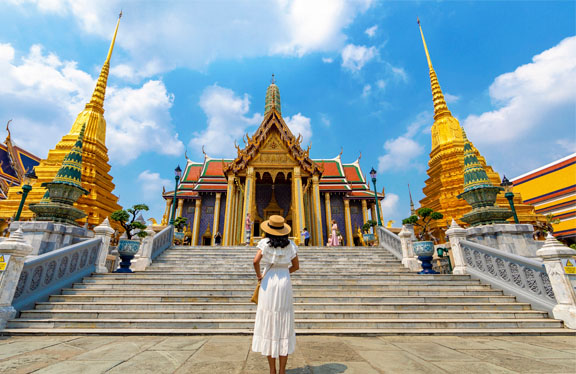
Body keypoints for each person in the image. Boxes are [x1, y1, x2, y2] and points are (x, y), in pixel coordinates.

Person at [252, 215, 299, 374]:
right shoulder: (290, 244)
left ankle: (272, 370)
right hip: (284, 282)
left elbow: (255, 261)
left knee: (269, 324)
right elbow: (296, 266)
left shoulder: (265, 243)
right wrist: (285, 272)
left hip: (269, 282)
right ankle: (282, 371)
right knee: (283, 325)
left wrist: (259, 275)